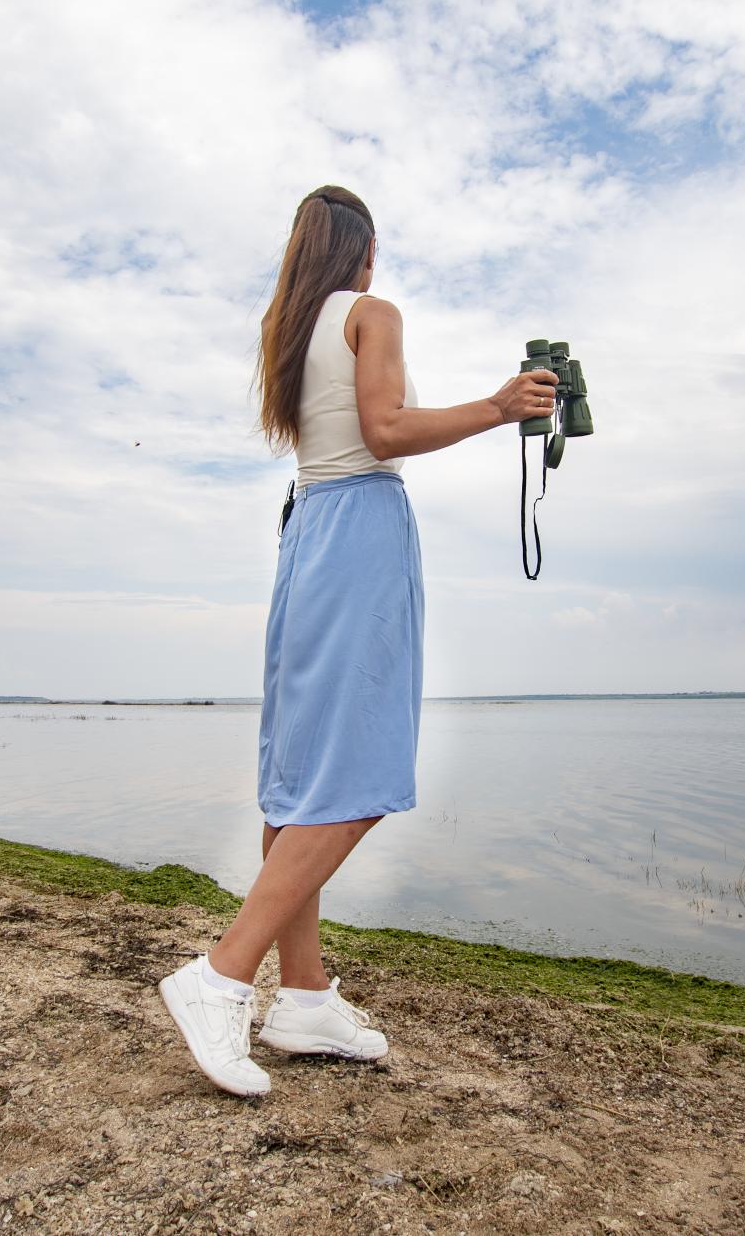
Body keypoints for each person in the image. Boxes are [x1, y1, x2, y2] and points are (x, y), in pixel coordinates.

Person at [157, 184, 559, 1096]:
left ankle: (302, 997)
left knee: (299, 776)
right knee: (361, 770)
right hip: (360, 535)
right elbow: (385, 431)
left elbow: (344, 436)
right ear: (361, 250)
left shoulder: (290, 332)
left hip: (307, 534)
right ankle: (222, 974)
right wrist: (501, 406)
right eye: (374, 248)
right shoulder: (372, 313)